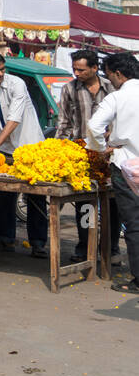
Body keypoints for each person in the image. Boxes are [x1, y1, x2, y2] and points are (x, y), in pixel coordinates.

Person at [0, 51, 48, 257]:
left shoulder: (17, 84)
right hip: (6, 149)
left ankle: (38, 243)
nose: (0, 74)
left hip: (29, 145)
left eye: (2, 69)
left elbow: (14, 120)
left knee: (35, 196)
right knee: (5, 194)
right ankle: (5, 240)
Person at [55, 49, 118, 262]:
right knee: (85, 204)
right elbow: (63, 122)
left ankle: (111, 249)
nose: (76, 73)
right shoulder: (69, 89)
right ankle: (85, 247)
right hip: (81, 156)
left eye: (81, 69)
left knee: (112, 203)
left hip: (110, 155)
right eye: (74, 69)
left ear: (94, 68)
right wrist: (60, 150)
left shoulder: (112, 88)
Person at [89, 52, 139, 294]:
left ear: (118, 74)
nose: (110, 80)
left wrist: (100, 149)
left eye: (109, 75)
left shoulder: (117, 98)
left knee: (134, 224)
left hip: (126, 166)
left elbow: (94, 125)